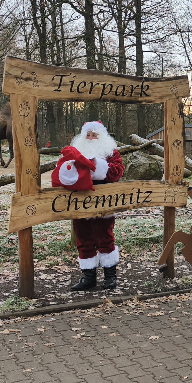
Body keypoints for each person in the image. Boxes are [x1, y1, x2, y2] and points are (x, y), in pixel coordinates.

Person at [51, 121, 125, 291]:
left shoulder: (111, 153)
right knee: (83, 238)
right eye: (88, 135)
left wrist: (95, 166)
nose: (91, 138)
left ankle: (110, 277)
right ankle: (88, 277)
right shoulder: (76, 151)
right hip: (79, 202)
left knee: (105, 237)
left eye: (94, 135)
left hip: (103, 202)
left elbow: (117, 171)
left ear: (101, 136)